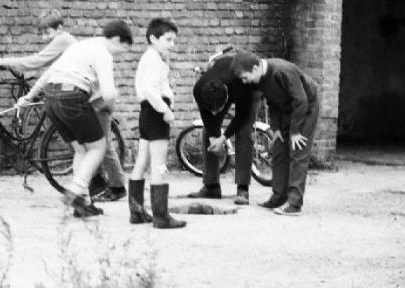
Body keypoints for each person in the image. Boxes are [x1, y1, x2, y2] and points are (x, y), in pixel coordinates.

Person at [0, 10, 128, 202]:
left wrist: (2, 62)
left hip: (92, 97)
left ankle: (113, 187)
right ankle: (86, 192)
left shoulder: (66, 40)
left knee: (100, 145)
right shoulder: (85, 46)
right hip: (79, 95)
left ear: (59, 28)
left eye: (47, 33)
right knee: (88, 148)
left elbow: (37, 62)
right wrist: (29, 96)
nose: (45, 38)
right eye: (42, 34)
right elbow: (50, 71)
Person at [18, 20, 133, 217]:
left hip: (52, 97)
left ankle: (84, 202)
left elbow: (49, 74)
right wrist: (109, 109)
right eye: (123, 48)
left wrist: (29, 97)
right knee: (98, 147)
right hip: (72, 96)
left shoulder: (80, 46)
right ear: (116, 39)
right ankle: (76, 190)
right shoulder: (103, 53)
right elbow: (109, 92)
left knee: (81, 149)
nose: (121, 53)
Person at [231, 51, 319, 216]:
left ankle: (294, 203)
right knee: (279, 149)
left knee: (297, 152)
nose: (245, 82)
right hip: (287, 108)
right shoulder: (259, 80)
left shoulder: (282, 70)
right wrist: (277, 129)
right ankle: (279, 197)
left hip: (306, 107)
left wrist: (294, 131)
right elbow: (273, 102)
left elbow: (301, 100)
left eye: (245, 77)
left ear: (256, 67)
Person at [129, 18, 186, 229]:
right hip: (156, 113)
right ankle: (161, 215)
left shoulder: (149, 57)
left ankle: (136, 211)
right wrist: (166, 110)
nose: (172, 44)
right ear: (153, 38)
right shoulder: (153, 59)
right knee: (159, 164)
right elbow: (150, 90)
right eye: (168, 39)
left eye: (174, 40)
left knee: (141, 160)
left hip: (146, 113)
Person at [187, 45, 262, 205]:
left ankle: (243, 189)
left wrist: (224, 137)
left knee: (243, 132)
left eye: (219, 110)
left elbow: (241, 116)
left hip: (249, 90)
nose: (215, 114)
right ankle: (211, 186)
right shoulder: (199, 89)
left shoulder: (241, 84)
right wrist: (215, 137)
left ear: (227, 95)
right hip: (220, 80)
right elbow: (207, 116)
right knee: (208, 132)